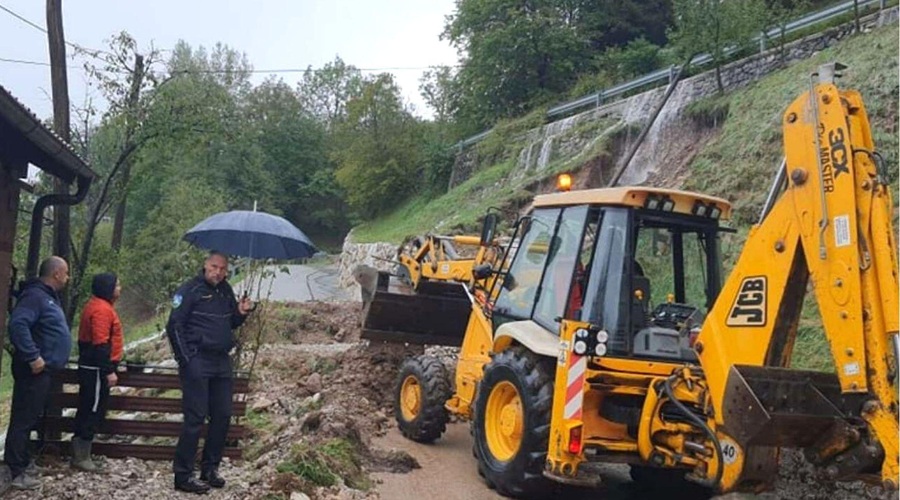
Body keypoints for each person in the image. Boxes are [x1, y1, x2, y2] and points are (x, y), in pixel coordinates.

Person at [166, 251, 252, 494]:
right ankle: (183, 475)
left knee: (223, 415)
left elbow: (230, 322)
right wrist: (186, 360)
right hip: (197, 360)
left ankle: (210, 469)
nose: (218, 272)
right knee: (195, 418)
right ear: (205, 265)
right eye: (214, 267)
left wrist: (241, 313)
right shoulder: (189, 290)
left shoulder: (225, 290)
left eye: (223, 268)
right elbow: (174, 325)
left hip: (221, 361)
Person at [4, 256, 71, 490]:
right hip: (33, 370)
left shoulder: (46, 297)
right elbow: (18, 325)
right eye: (66, 273)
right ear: (56, 274)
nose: (67, 277)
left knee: (30, 417)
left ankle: (23, 462)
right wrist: (33, 356)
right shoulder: (35, 296)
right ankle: (15, 469)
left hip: (43, 371)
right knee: (23, 420)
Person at [71, 273, 124, 472]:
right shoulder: (101, 309)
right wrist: (109, 370)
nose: (120, 288)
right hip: (95, 370)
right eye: (117, 285)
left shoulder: (100, 306)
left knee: (90, 407)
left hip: (94, 368)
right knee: (91, 409)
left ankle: (83, 454)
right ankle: (81, 457)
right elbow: (100, 343)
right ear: (107, 288)